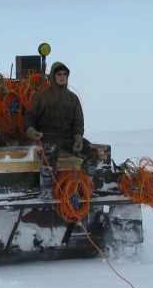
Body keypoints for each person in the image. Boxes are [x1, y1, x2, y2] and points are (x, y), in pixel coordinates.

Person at [23, 61, 99, 199]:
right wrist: (30, 130)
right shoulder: (42, 97)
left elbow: (78, 121)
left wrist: (78, 137)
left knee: (93, 152)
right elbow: (29, 116)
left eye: (64, 74)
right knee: (50, 154)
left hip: (68, 136)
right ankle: (46, 191)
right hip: (49, 135)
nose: (62, 77)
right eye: (59, 74)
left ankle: (84, 187)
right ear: (53, 76)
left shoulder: (73, 98)